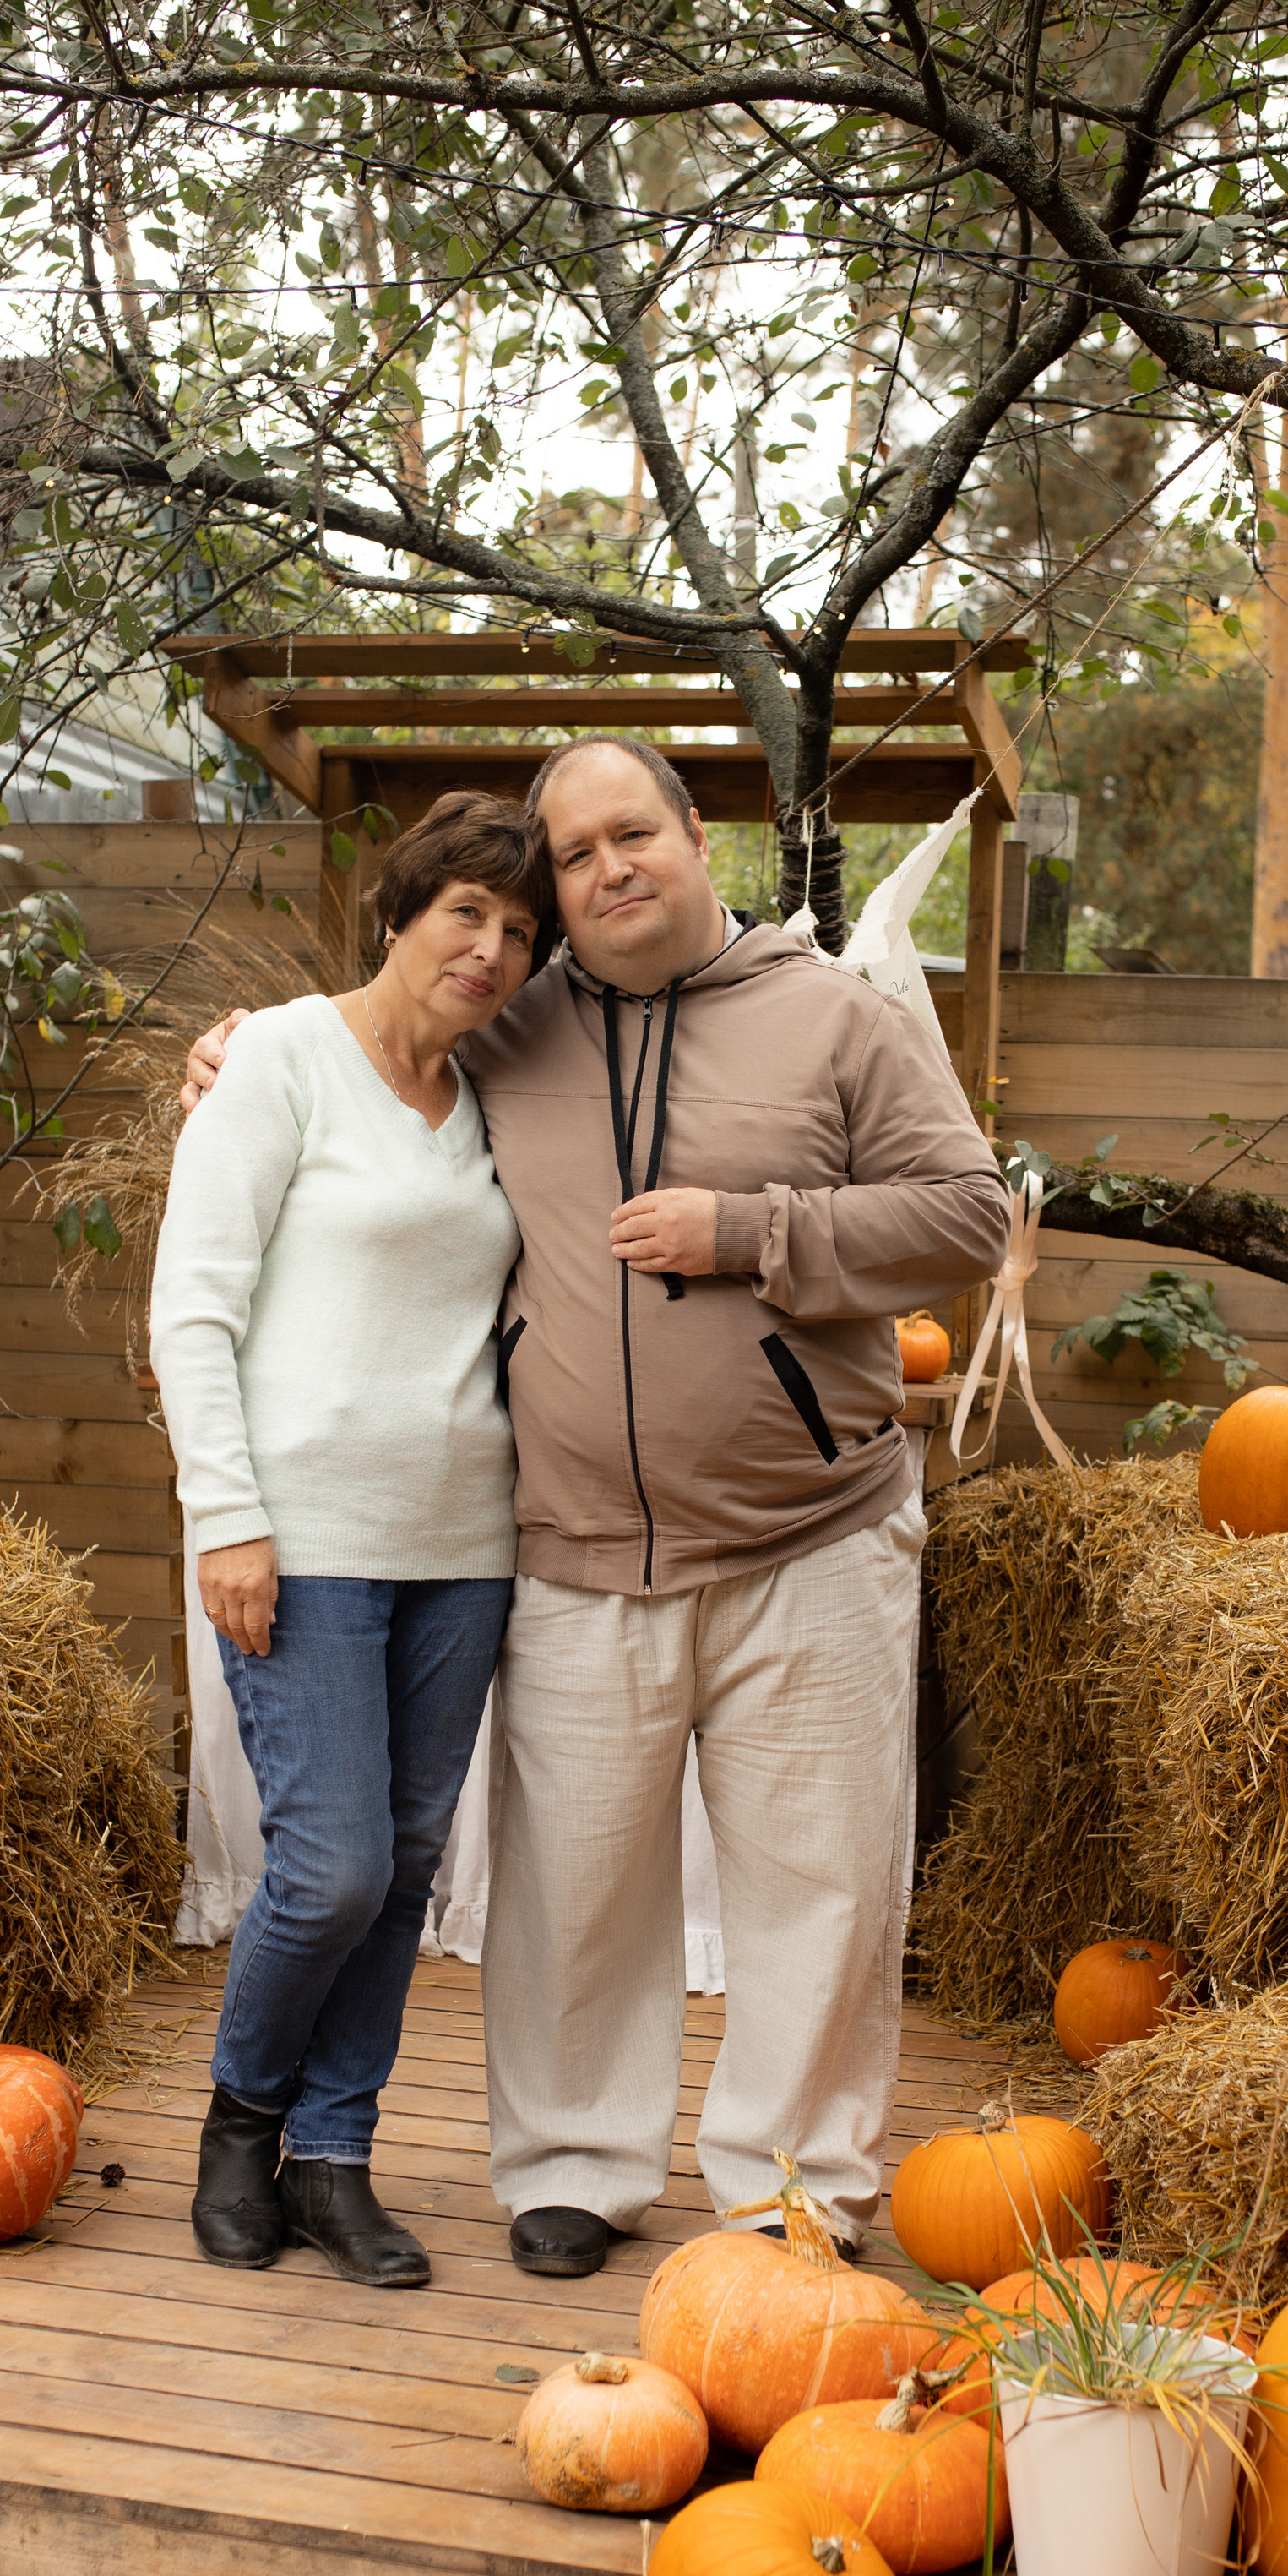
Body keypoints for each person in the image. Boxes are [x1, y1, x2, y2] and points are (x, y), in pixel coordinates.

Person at [186, 737, 1008, 2277]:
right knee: (573, 1887)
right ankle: (575, 2163)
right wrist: (244, 1052)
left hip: (807, 1534)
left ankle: (793, 2187)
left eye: (632, 833)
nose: (606, 868)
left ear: (698, 837)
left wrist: (752, 1229)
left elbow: (967, 1212)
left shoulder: (834, 1014)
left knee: (818, 1885)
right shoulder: (514, 1024)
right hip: (563, 1545)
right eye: (572, 858)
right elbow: (371, 1058)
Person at [149, 790, 546, 2288]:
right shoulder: (281, 1063)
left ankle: (335, 2156)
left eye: (519, 931)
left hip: (466, 1542)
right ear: (403, 907)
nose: (493, 949)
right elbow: (194, 1305)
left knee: (411, 1855)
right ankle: (243, 2123)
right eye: (469, 913)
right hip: (301, 1538)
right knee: (329, 1868)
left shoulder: (507, 1088)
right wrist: (228, 1519)